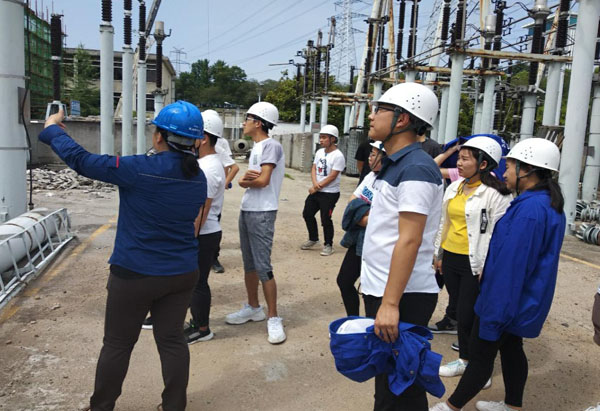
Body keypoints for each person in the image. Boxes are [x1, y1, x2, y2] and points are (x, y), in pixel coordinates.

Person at [38, 102, 207, 411]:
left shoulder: (138, 168)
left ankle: (101, 406)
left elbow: (82, 160)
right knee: (172, 340)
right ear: (196, 141)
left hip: (135, 274)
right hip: (182, 273)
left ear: (159, 136)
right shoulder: (198, 178)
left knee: (118, 343)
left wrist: (52, 130)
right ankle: (174, 406)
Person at [430, 138, 566, 411]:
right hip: (519, 298)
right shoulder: (540, 203)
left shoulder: (530, 211)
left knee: (481, 357)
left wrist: (495, 309)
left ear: (527, 170)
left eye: (510, 166)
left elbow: (512, 267)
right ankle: (512, 405)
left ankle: (451, 406)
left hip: (505, 300)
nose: (504, 172)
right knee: (512, 349)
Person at [360, 82, 443, 410]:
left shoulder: (416, 168)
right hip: (387, 289)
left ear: (403, 119)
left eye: (379, 109)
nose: (371, 116)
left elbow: (409, 239)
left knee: (400, 389)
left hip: (403, 295)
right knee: (391, 384)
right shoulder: (397, 163)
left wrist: (390, 304)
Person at [430, 137, 512, 389]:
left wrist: (488, 266)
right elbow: (444, 223)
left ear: (484, 164)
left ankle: (479, 368)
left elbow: (499, 235)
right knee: (461, 312)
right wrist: (439, 253)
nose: (459, 163)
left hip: (475, 263)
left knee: (470, 315)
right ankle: (465, 360)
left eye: (465, 159)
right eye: (460, 158)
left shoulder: (497, 194)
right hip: (451, 258)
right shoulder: (455, 187)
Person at [225, 101, 287, 344]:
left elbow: (263, 181)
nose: (244, 123)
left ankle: (273, 317)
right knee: (249, 264)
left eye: (248, 119)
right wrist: (247, 181)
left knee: (263, 266)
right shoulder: (258, 147)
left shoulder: (271, 145)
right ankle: (253, 307)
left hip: (262, 212)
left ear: (258, 122)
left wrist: (244, 182)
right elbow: (254, 179)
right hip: (248, 209)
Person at [184, 110, 227, 344]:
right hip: (203, 232)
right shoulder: (205, 162)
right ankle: (194, 322)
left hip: (203, 233)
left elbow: (203, 208)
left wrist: (190, 238)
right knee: (192, 282)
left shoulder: (208, 168)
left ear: (204, 138)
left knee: (198, 283)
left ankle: (202, 328)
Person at [337, 141, 386, 316]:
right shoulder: (370, 176)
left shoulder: (389, 182)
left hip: (376, 243)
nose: (369, 158)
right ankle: (353, 320)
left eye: (373, 154)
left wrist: (358, 213)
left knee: (371, 289)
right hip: (358, 239)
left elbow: (379, 218)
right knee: (344, 280)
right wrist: (362, 214)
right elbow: (352, 200)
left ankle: (371, 323)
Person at [301, 125, 346, 256]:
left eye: (324, 137)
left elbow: (333, 176)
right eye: (320, 137)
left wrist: (316, 187)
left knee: (325, 219)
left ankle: (328, 245)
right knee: (307, 213)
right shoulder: (320, 152)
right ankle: (313, 238)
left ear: (333, 139)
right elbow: (314, 168)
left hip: (330, 194)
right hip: (317, 190)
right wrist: (315, 184)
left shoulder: (338, 156)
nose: (321, 140)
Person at [204, 110, 240, 274]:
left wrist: (224, 182)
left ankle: (214, 258)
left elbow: (231, 165)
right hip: (206, 187)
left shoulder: (220, 145)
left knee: (212, 221)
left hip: (214, 187)